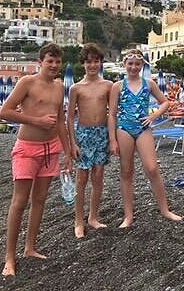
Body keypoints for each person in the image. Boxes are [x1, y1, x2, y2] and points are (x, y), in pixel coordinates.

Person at [0, 43, 72, 277]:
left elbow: (60, 121)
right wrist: (36, 121)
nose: (53, 65)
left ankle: (30, 247)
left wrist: (68, 152)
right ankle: (9, 257)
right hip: (27, 147)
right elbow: (5, 112)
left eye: (57, 61)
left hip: (51, 148)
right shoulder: (27, 83)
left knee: (39, 200)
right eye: (49, 61)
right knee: (19, 202)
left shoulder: (60, 87)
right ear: (40, 62)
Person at [108, 49, 181, 227]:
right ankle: (128, 215)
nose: (133, 67)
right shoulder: (117, 86)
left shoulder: (149, 83)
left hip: (143, 128)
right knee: (126, 171)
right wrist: (112, 140)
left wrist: (153, 116)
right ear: (125, 65)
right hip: (124, 128)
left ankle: (165, 209)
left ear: (142, 66)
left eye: (137, 64)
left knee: (152, 168)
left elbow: (165, 102)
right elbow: (112, 114)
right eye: (130, 64)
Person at [67, 43, 113, 238]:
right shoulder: (76, 88)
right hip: (84, 134)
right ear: (83, 64)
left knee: (98, 176)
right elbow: (69, 117)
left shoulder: (108, 85)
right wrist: (72, 143)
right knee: (81, 178)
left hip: (102, 133)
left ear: (101, 63)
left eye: (96, 61)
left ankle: (93, 217)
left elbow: (113, 114)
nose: (92, 65)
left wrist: (113, 138)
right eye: (88, 62)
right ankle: (78, 219)